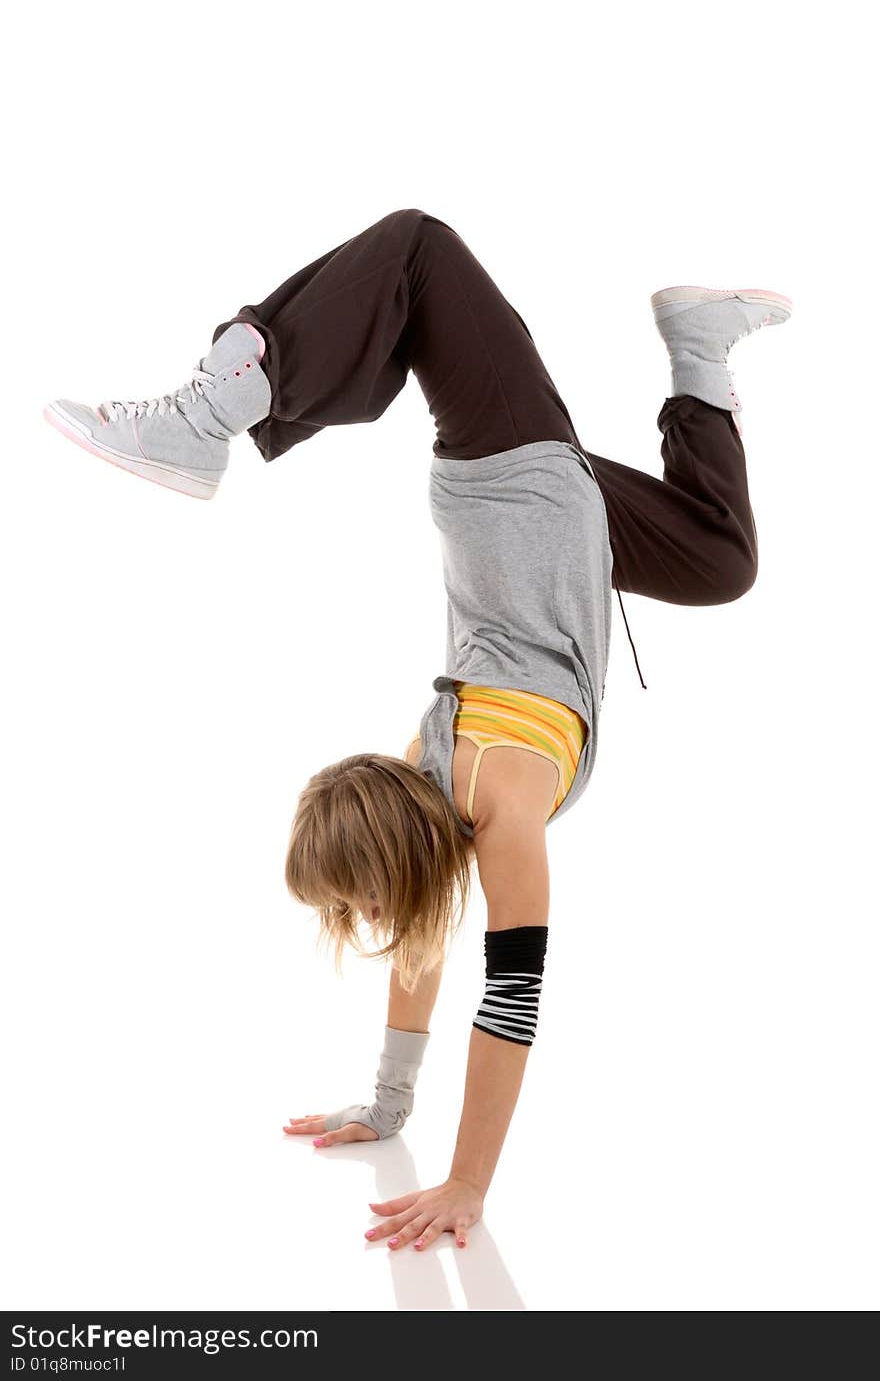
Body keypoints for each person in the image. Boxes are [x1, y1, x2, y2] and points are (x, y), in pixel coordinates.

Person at [43, 208, 791, 1253]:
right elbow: (429, 939)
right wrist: (388, 1107)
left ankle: (208, 413)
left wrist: (466, 1182)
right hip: (557, 529)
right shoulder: (427, 785)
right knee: (720, 560)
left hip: (509, 484)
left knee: (418, 248)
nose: (365, 916)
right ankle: (696, 341)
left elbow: (509, 1010)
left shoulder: (502, 802)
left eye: (356, 895)